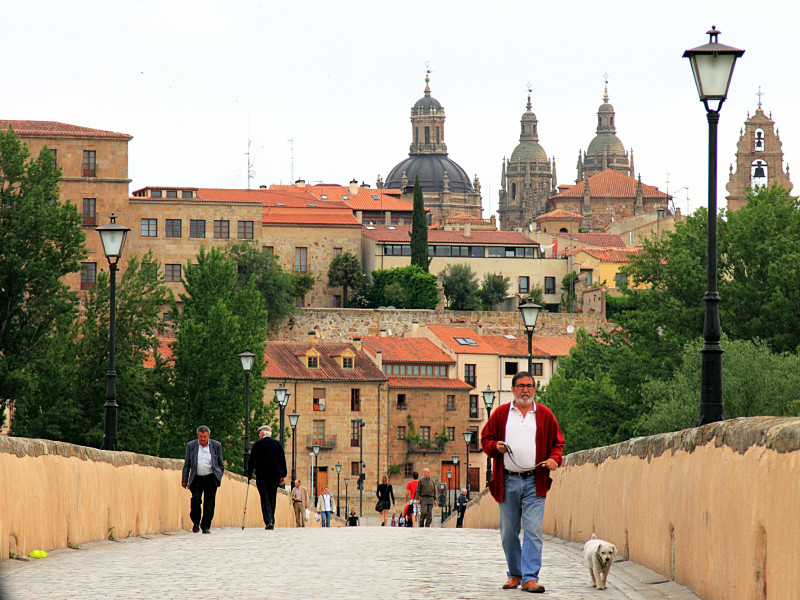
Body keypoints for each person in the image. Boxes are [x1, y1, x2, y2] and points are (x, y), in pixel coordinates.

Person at [481, 371, 564, 594]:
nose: (524, 390)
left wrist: (555, 459)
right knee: (508, 531)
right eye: (520, 386)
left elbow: (558, 444)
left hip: (534, 481)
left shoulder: (545, 415)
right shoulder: (500, 414)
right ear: (513, 389)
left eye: (529, 385)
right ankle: (515, 574)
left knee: (533, 530)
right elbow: (485, 440)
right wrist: (495, 447)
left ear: (535, 389)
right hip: (507, 481)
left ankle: (530, 578)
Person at [181, 425, 225, 534]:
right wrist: (184, 479)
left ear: (208, 436)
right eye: (201, 437)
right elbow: (187, 464)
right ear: (198, 436)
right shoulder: (191, 446)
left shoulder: (216, 445)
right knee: (195, 500)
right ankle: (196, 522)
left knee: (209, 503)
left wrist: (218, 475)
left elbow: (220, 464)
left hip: (210, 478)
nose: (203, 439)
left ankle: (205, 526)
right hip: (196, 478)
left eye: (205, 437)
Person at [246, 425, 287, 530]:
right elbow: (282, 460)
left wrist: (249, 473)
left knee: (264, 497)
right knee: (272, 497)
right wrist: (283, 475)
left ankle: (268, 521)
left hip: (262, 474)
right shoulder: (277, 444)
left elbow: (251, 460)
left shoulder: (258, 444)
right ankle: (271, 519)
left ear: (262, 434)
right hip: (275, 474)